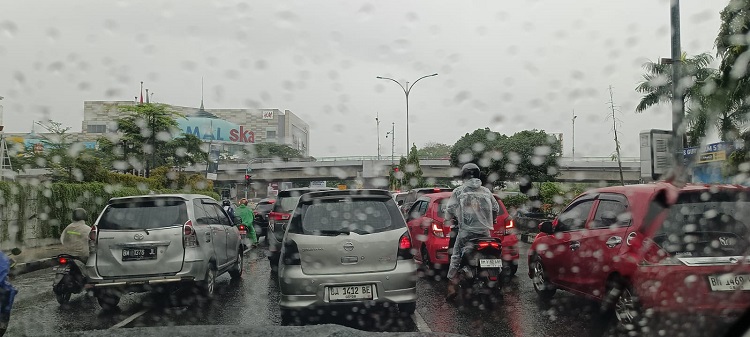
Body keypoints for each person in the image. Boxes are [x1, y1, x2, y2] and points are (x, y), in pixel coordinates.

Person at [444, 163, 499, 300]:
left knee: (456, 256)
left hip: (465, 233)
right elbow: (496, 208)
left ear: (464, 176)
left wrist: (448, 218)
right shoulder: (486, 191)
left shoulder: (459, 191)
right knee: (494, 255)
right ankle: (498, 279)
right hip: (484, 233)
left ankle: (452, 286)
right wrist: (494, 219)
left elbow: (450, 209)